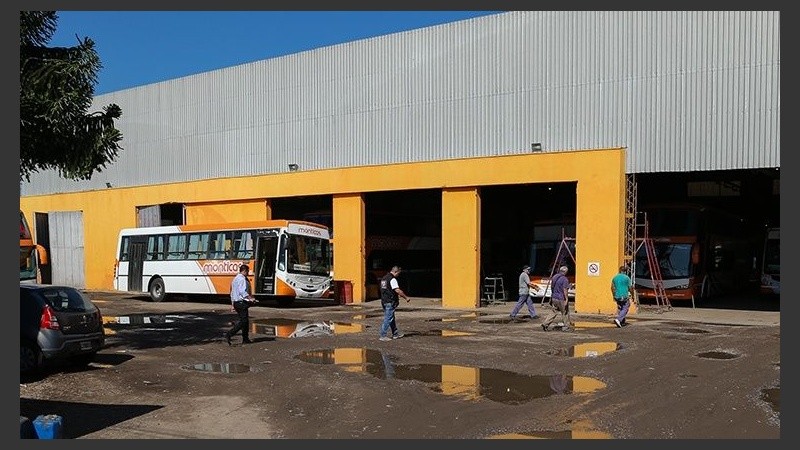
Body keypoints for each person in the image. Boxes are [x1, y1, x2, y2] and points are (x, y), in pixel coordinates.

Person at [224, 263, 257, 345]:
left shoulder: (235, 279)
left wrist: (232, 304)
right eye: (248, 271)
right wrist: (251, 298)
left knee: (245, 321)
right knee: (244, 321)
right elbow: (243, 292)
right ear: (244, 271)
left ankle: (245, 338)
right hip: (241, 303)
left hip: (236, 302)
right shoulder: (242, 279)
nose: (248, 273)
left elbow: (232, 293)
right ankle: (229, 334)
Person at [379, 265, 411, 341]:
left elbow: (384, 289)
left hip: (384, 301)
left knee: (391, 317)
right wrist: (406, 297)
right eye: (398, 273)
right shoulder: (392, 279)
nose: (398, 275)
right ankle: (383, 335)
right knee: (388, 318)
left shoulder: (384, 278)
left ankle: (395, 333)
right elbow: (397, 290)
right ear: (395, 272)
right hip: (390, 301)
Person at [541, 265, 572, 331]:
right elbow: (565, 290)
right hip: (561, 298)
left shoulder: (554, 277)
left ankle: (545, 323)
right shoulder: (565, 279)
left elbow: (552, 286)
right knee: (565, 312)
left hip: (554, 297)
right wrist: (566, 299)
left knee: (554, 311)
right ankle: (566, 327)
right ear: (566, 271)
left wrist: (553, 294)